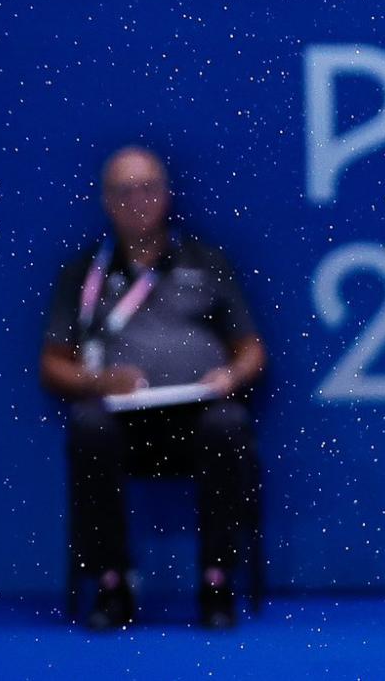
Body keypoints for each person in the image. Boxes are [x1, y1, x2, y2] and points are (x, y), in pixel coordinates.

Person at [40, 146, 267, 630]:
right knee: (87, 427)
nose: (137, 201)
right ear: (106, 201)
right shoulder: (83, 273)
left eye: (147, 189)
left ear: (166, 195)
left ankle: (216, 582)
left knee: (229, 424)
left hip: (196, 417)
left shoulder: (207, 261)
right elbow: (53, 365)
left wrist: (230, 376)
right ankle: (112, 584)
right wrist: (97, 381)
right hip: (121, 422)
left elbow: (251, 350)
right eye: (124, 192)